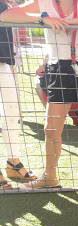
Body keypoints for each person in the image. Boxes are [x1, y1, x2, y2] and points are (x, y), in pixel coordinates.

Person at [0, 0, 78, 189]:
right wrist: (43, 19)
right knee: (51, 129)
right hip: (58, 69)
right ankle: (50, 176)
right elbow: (5, 15)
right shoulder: (43, 4)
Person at [0, 0, 37, 190]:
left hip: (3, 62)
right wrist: (45, 16)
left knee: (12, 113)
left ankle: (13, 162)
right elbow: (23, 12)